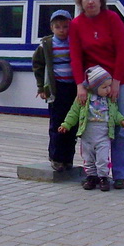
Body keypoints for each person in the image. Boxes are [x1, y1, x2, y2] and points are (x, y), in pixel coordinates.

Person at [69, 0, 124, 189]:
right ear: (81, 1)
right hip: (92, 83)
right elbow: (76, 57)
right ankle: (96, 172)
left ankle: (121, 174)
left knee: (120, 125)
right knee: (93, 127)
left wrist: (116, 82)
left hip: (119, 78)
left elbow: (122, 53)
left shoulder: (112, 19)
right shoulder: (77, 24)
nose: (90, 2)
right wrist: (80, 84)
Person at [58, 65, 124, 191]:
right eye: (104, 87)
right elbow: (73, 112)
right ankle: (91, 176)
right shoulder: (83, 99)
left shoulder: (109, 101)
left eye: (109, 86)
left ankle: (103, 177)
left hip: (103, 135)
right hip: (87, 134)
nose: (108, 90)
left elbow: (115, 113)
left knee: (102, 158)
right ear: (94, 87)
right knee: (88, 157)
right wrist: (66, 124)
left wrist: (122, 120)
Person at [32, 9, 77, 172]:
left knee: (73, 123)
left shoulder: (74, 42)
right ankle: (56, 157)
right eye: (58, 27)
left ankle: (68, 158)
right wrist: (41, 87)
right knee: (57, 123)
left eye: (65, 27)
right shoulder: (46, 44)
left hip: (73, 88)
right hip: (56, 89)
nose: (62, 30)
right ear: (52, 28)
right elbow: (38, 65)